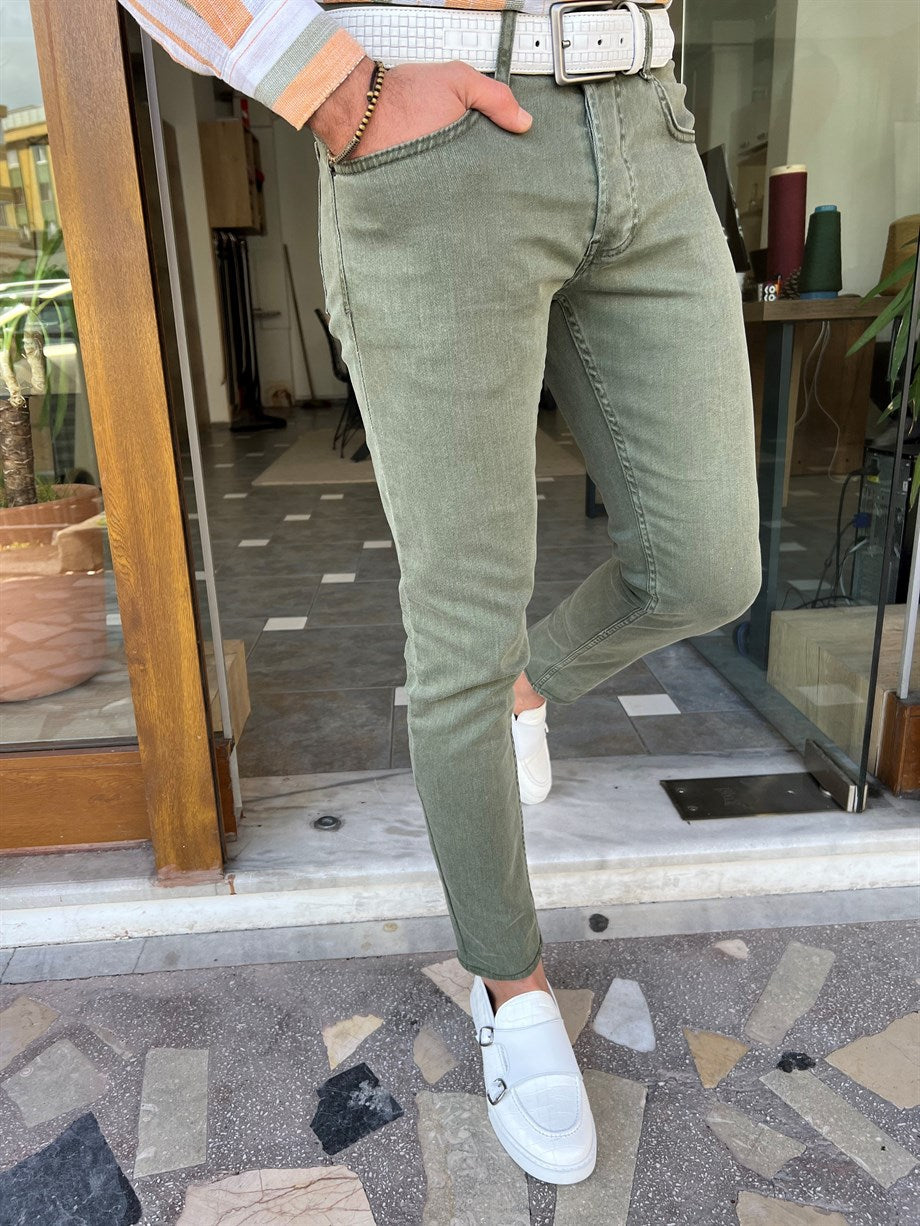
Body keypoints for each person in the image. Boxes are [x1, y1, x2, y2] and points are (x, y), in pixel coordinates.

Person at [117, 0, 762, 1185]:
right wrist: (333, 87)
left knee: (706, 566)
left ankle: (531, 684)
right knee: (464, 619)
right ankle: (509, 984)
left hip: (648, 127)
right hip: (432, 130)